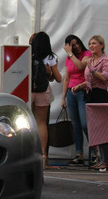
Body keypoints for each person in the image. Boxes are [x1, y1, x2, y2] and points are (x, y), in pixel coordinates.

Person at [76, 35, 108, 171]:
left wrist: (91, 68)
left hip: (101, 95)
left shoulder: (107, 60)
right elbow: (89, 81)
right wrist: (80, 86)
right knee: (95, 129)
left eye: (94, 43)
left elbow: (104, 78)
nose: (91, 46)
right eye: (90, 44)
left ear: (101, 45)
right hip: (90, 95)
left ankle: (106, 159)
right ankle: (101, 159)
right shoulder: (90, 60)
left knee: (103, 128)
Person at [30, 32, 62, 169]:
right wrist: (49, 72)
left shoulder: (27, 55)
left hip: (28, 90)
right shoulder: (50, 57)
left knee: (27, 121)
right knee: (42, 123)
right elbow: (58, 78)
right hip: (43, 91)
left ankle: (28, 153)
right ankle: (43, 155)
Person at [62, 35, 92, 166]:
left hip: (82, 91)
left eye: (78, 43)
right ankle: (79, 154)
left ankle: (95, 151)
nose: (77, 47)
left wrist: (70, 53)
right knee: (75, 125)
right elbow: (67, 78)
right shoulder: (68, 59)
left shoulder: (87, 54)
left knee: (85, 123)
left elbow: (80, 67)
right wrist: (63, 97)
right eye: (73, 45)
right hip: (71, 92)